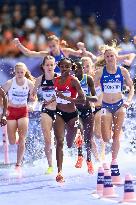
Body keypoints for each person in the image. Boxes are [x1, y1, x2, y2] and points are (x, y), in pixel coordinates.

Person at [94, 44, 134, 162]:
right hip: (105, 106)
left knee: (116, 137)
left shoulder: (123, 71)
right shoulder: (100, 72)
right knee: (106, 138)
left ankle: (114, 161)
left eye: (112, 56)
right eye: (107, 56)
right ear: (104, 58)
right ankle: (109, 129)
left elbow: (131, 87)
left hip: (119, 105)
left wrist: (128, 101)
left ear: (116, 57)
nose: (110, 58)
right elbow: (92, 87)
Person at [54, 57, 85, 182]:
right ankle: (59, 172)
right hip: (59, 113)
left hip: (72, 115)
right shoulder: (55, 80)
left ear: (71, 67)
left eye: (67, 67)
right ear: (59, 66)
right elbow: (55, 95)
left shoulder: (74, 81)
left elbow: (82, 100)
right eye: (62, 66)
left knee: (69, 144)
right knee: (59, 141)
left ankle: (77, 136)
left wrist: (67, 99)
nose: (64, 69)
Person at [2, 62, 34, 169]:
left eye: (22, 72)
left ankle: (18, 164)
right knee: (12, 141)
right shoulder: (9, 83)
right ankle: (15, 136)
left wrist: (32, 103)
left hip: (23, 111)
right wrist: (4, 108)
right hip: (11, 111)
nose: (20, 74)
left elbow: (34, 96)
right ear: (14, 72)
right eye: (18, 72)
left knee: (22, 139)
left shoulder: (29, 83)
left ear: (25, 73)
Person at [32, 55, 57, 174]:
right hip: (46, 111)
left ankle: (60, 162)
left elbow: (64, 94)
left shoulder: (59, 78)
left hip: (59, 111)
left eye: (52, 65)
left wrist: (51, 100)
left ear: (55, 66)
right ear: (43, 67)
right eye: (47, 65)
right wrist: (34, 100)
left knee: (59, 139)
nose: (49, 67)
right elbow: (33, 95)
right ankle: (50, 165)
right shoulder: (39, 80)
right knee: (48, 140)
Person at [73, 60, 97, 174]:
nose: (78, 71)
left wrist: (84, 97)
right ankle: (79, 155)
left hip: (88, 111)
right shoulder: (71, 80)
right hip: (76, 111)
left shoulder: (88, 79)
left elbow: (95, 98)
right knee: (79, 132)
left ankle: (89, 161)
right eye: (75, 69)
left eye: (80, 68)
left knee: (88, 138)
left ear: (83, 68)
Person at [13, 35, 82, 73]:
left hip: (66, 79)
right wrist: (18, 45)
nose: (52, 48)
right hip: (54, 80)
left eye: (54, 46)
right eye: (50, 47)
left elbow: (79, 54)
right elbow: (29, 53)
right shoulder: (47, 54)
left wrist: (81, 48)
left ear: (58, 43)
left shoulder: (66, 51)